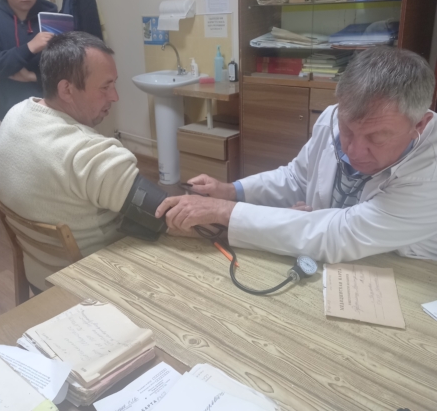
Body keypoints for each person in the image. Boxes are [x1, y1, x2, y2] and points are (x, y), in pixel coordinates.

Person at [156, 47, 437, 263]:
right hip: (325, 260)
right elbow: (296, 177)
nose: (352, 150)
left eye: (376, 138)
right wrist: (232, 191)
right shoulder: (332, 118)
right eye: (347, 130)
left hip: (403, 273)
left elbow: (339, 235)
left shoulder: (429, 174)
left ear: (420, 125)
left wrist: (224, 211)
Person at [0, 31, 140, 291]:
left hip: (39, 277)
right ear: (67, 90)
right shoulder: (90, 153)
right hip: (91, 287)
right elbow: (168, 215)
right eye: (105, 87)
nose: (115, 97)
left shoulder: (15, 114)